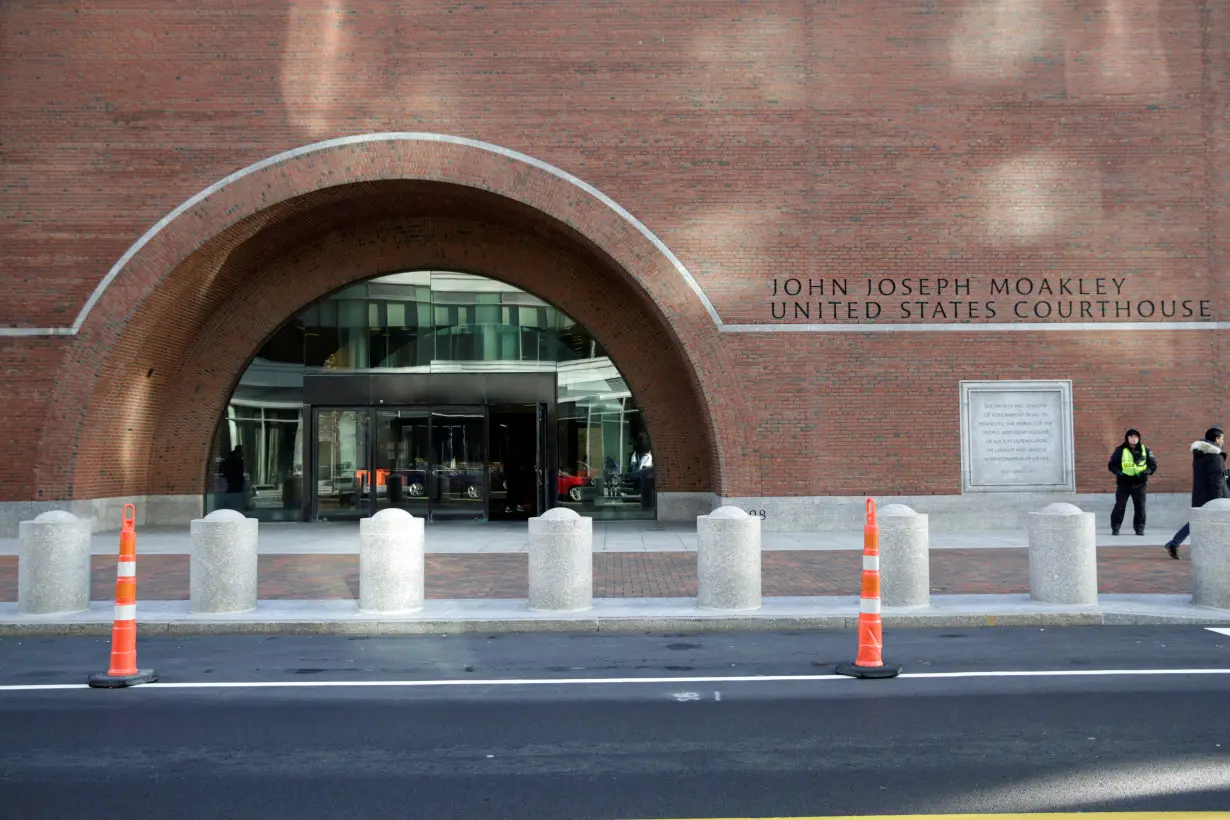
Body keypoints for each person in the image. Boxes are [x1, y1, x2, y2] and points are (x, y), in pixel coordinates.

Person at [1163, 427, 1229, 559]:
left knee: (1196, 521)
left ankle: (1174, 543)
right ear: (1216, 439)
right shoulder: (1215, 456)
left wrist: (1225, 472)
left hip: (1201, 494)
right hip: (1214, 496)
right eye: (1222, 438)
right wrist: (1218, 501)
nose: (1223, 441)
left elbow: (1210, 474)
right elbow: (1216, 480)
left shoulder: (1201, 455)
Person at [1107, 428, 1156, 536]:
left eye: (1136, 437)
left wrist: (1147, 472)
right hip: (1124, 483)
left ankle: (1139, 528)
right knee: (1119, 506)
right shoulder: (1119, 450)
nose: (1134, 439)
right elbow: (1112, 465)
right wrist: (1119, 473)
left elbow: (1152, 465)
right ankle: (1115, 528)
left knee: (1140, 507)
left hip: (1140, 483)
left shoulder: (1146, 450)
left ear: (1138, 438)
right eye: (1131, 437)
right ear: (1127, 438)